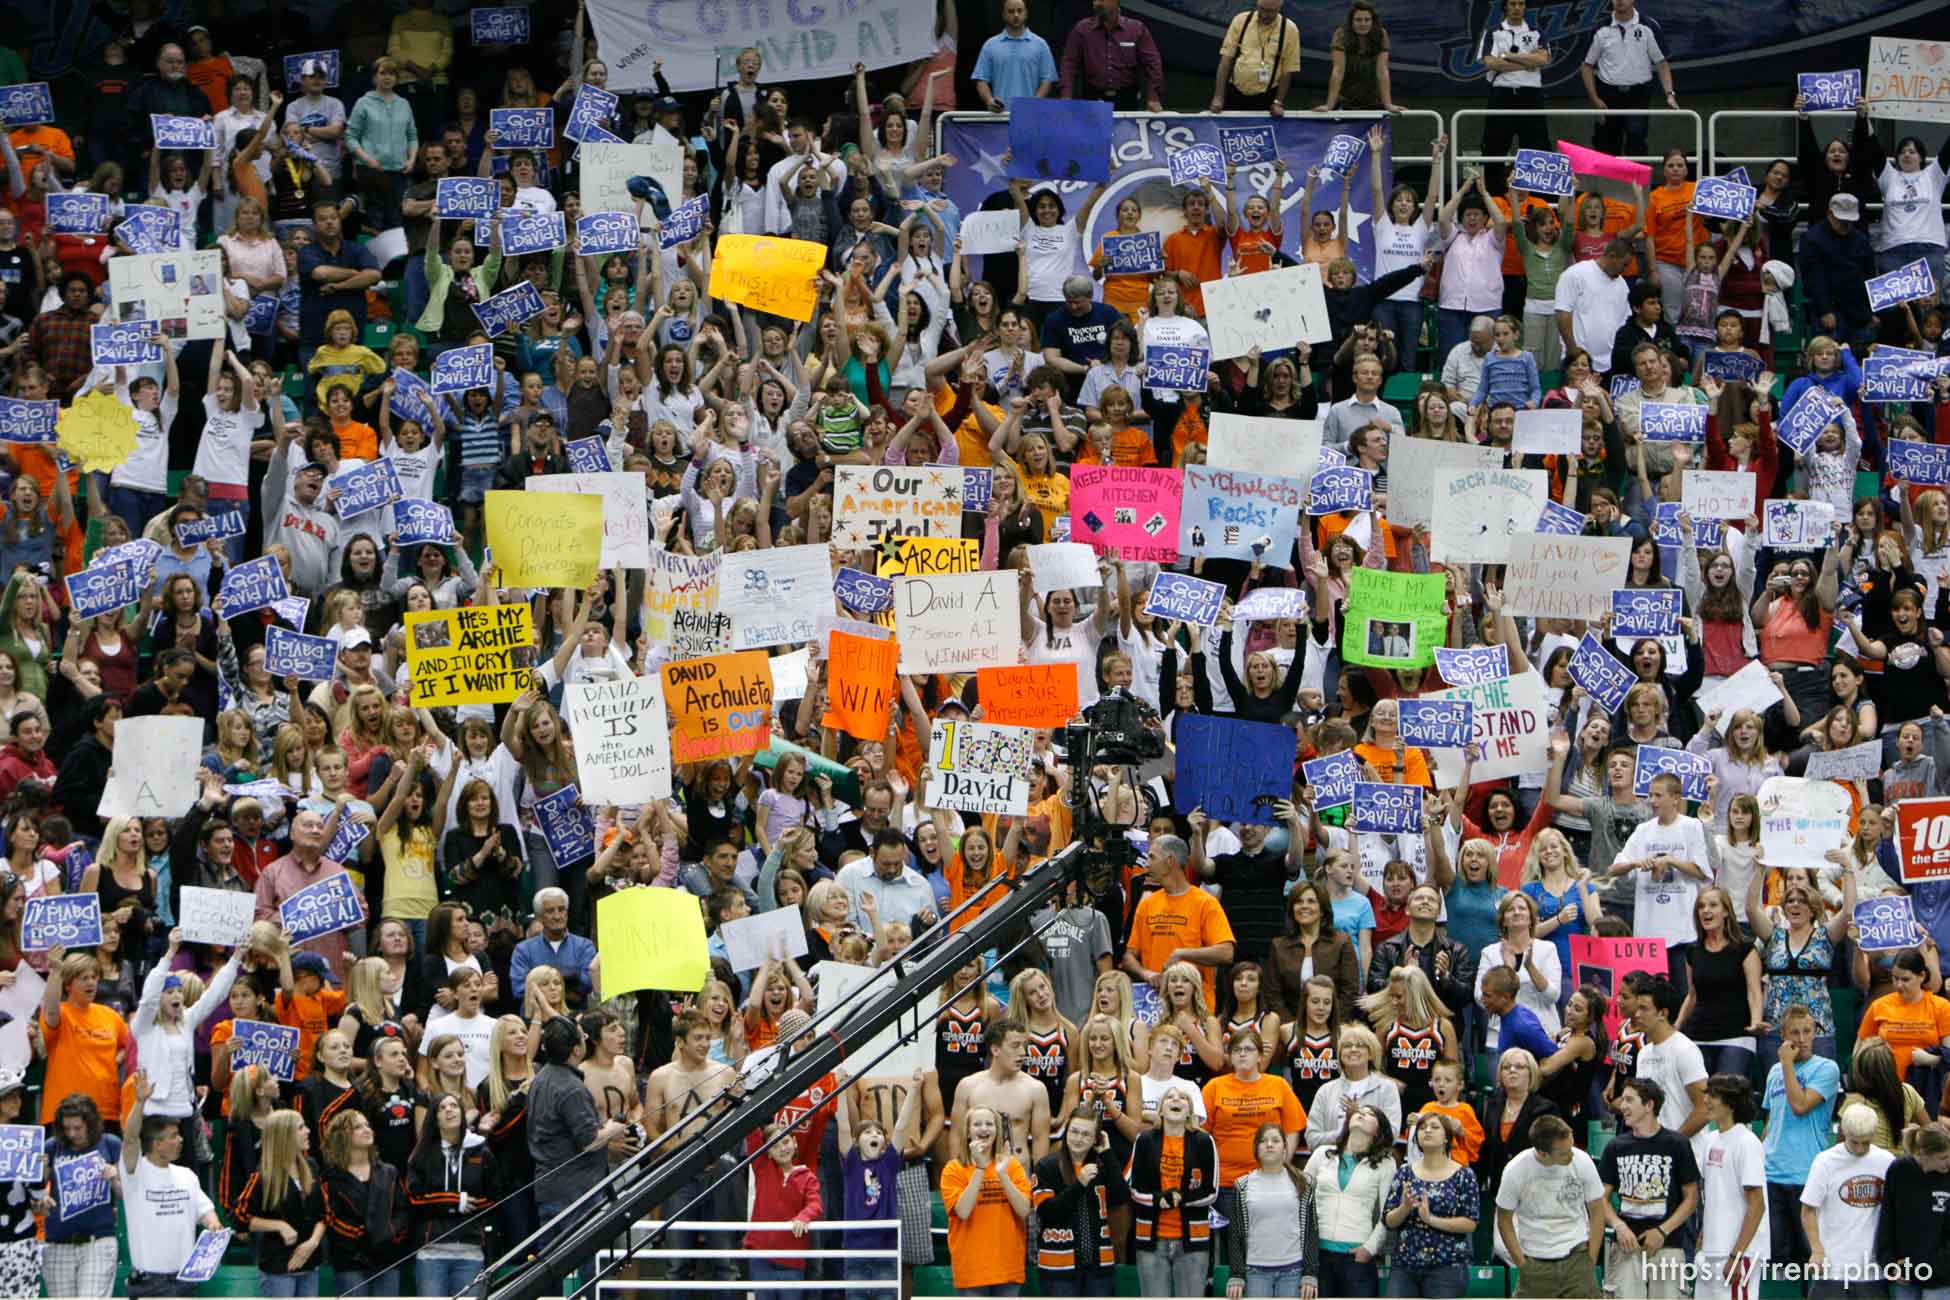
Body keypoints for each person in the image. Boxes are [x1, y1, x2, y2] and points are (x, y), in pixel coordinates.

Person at [122, 1073, 224, 1298]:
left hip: (186, 1279)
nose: (181, 1140)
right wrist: (139, 1103)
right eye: (173, 1136)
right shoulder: (134, 1173)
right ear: (157, 1144)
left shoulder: (187, 1175)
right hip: (149, 1281)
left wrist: (214, 1226)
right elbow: (130, 1140)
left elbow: (205, 1212)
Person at [1599, 1077, 1699, 1300]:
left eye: (1629, 1100)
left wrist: (1663, 1231)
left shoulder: (1677, 1143)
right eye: (1622, 1100)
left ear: (1649, 1105)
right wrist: (1618, 1225)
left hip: (1668, 1244)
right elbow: (1601, 1198)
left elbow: (1691, 1198)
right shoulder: (1615, 1146)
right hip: (1626, 1245)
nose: (1622, 1106)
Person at [1494, 1113, 1605, 1298]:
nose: (1571, 1155)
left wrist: (1590, 1260)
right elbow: (1503, 1220)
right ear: (1543, 1153)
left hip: (1577, 1257)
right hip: (1535, 1263)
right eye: (1563, 1153)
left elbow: (1597, 1211)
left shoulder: (1582, 1161)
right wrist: (1522, 1264)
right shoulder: (1515, 1170)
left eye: (1571, 1146)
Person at [1125, 1083, 1220, 1296]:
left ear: (1190, 1110)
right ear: (1160, 1110)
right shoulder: (1145, 1140)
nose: (1176, 1100)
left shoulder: (1204, 1141)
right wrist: (1157, 1199)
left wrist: (1182, 1198)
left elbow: (1212, 1191)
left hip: (1192, 1242)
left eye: (1183, 1098)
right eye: (1169, 1097)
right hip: (1151, 1240)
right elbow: (1132, 1187)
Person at [1801, 1103, 1896, 1299]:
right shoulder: (1825, 1161)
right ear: (1843, 1132)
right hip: (1832, 1268)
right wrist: (1816, 1250)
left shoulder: (1887, 1161)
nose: (1860, 1148)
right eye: (1854, 1142)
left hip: (1873, 1270)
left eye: (1866, 1142)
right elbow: (1808, 1210)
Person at [941, 1103, 1034, 1295]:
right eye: (977, 1124)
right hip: (972, 1270)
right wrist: (980, 1169)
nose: (984, 1128)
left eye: (989, 1124)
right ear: (967, 1132)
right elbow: (964, 1211)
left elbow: (1024, 1211)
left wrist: (1003, 1174)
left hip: (1008, 1268)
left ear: (997, 1131)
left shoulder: (1011, 1166)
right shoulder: (953, 1169)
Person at [1697, 1074, 1770, 1300]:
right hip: (1711, 1251)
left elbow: (1757, 1205)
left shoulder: (1747, 1143)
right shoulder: (1709, 1140)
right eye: (1706, 1094)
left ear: (1731, 1103)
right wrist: (1702, 1241)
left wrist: (1737, 1255)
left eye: (1714, 1095)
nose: (1706, 1100)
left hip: (1739, 1254)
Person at [1580, 0, 1678, 160]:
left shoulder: (1648, 26)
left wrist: (1669, 93)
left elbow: (1662, 62)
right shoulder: (1600, 29)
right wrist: (1594, 98)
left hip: (1638, 95)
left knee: (1636, 141)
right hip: (1607, 95)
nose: (1619, 1)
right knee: (1606, 145)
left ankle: (1636, 185)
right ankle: (1608, 185)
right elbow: (1586, 66)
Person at [1059, 0, 1164, 111]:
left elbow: (1153, 63)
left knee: (1126, 128)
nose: (1096, 3)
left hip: (1127, 99)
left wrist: (1154, 97)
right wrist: (1066, 95)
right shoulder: (1082, 29)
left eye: (1102, 0)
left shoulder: (1137, 29)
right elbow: (1069, 64)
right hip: (1093, 97)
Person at [1210, 0, 1301, 115]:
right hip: (1234, 91)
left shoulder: (1290, 29)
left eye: (1270, 11)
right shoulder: (1241, 20)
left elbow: (1287, 71)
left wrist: (1278, 102)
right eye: (1262, 9)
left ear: (1279, 9)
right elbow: (1225, 61)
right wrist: (1218, 96)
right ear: (1257, 5)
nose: (1264, 15)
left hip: (1266, 96)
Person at [972, 0, 1058, 111]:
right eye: (1011, 11)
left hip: (1030, 116)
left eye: (1019, 11)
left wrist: (1034, 103)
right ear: (1003, 15)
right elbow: (981, 79)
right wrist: (989, 100)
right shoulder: (990, 45)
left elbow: (1047, 80)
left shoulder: (1040, 45)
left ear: (1026, 13)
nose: (1016, 15)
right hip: (999, 116)